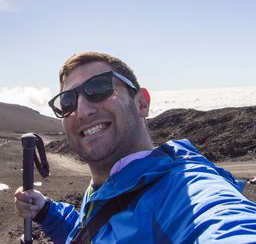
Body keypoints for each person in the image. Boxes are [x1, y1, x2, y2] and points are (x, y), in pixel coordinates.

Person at [14, 51, 256, 243]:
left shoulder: (184, 192)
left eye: (99, 88)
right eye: (68, 101)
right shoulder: (105, 188)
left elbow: (223, 223)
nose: (82, 111)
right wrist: (46, 210)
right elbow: (94, 234)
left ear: (141, 103)